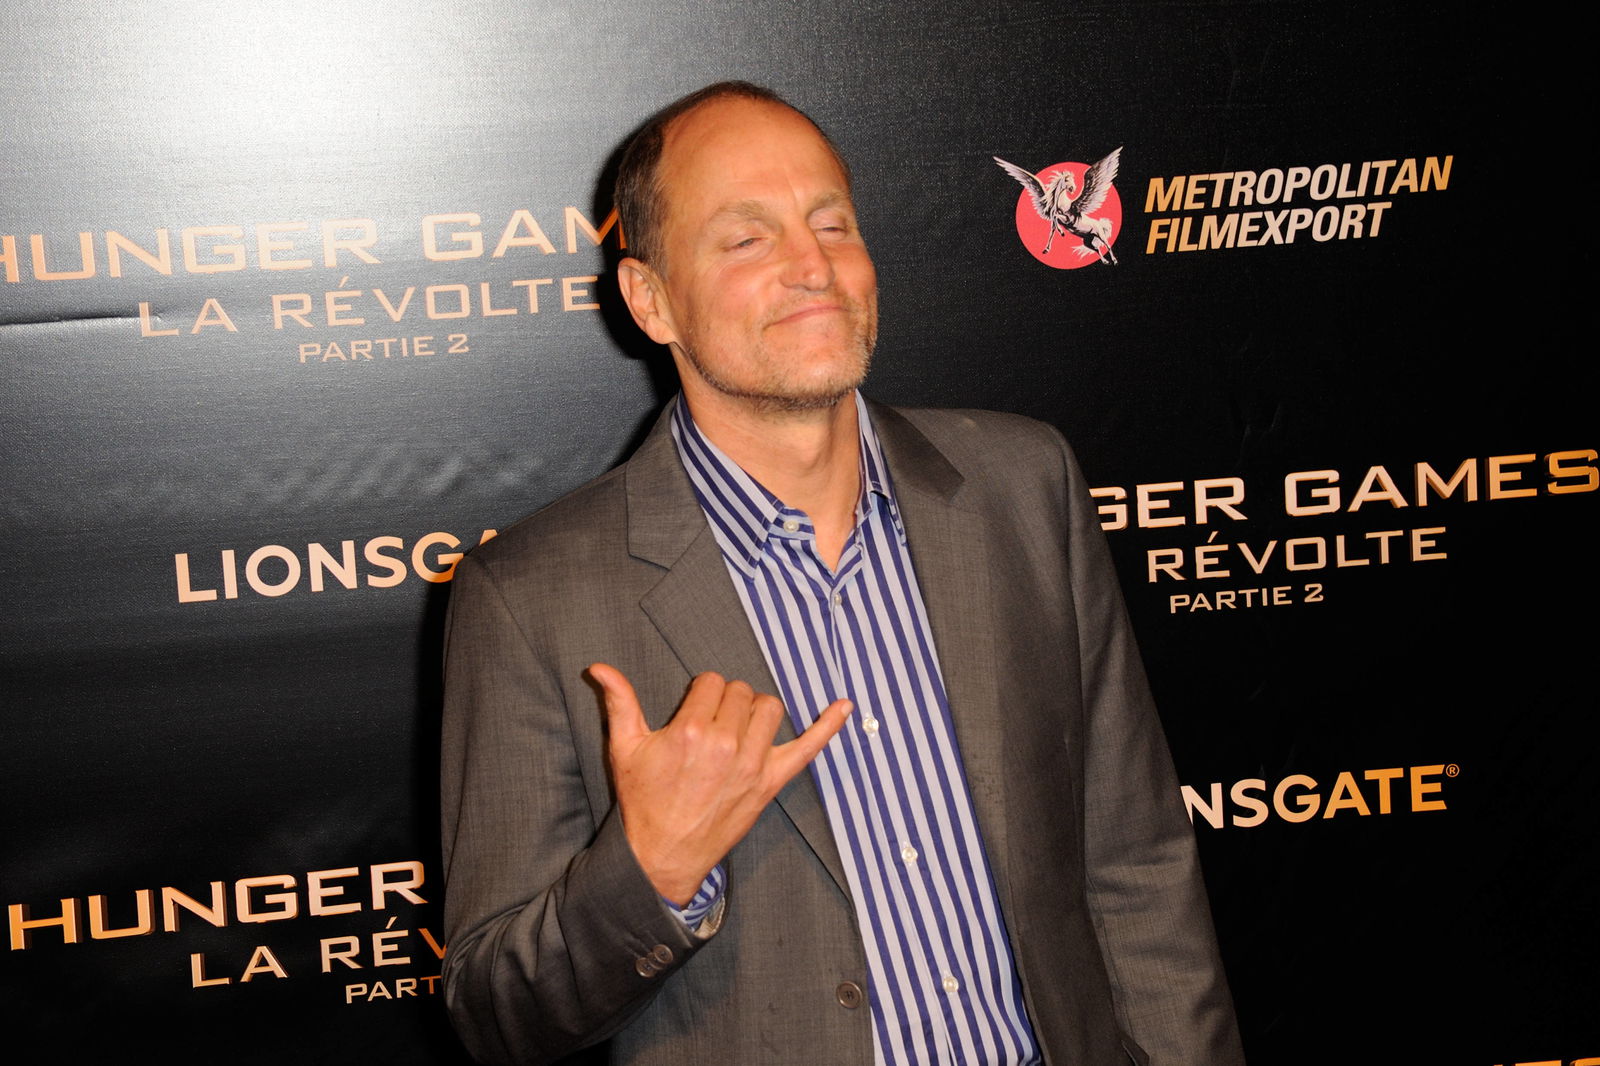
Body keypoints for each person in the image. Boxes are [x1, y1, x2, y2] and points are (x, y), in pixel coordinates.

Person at [440, 81, 1245, 1066]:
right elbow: (496, 1012)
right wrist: (653, 869)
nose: (812, 265)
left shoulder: (1022, 484)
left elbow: (1136, 863)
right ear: (651, 300)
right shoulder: (530, 598)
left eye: (832, 224)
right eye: (747, 238)